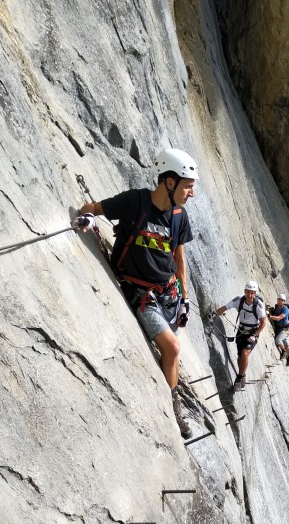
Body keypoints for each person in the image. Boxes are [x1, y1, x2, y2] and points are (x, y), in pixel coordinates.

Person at [75, 148, 198, 437]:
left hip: (168, 295)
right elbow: (90, 208)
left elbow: (179, 259)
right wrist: (88, 219)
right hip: (140, 293)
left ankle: (174, 397)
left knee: (171, 354)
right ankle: (172, 409)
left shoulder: (179, 216)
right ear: (169, 182)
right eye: (188, 187)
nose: (191, 194)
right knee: (172, 348)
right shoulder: (136, 202)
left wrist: (186, 298)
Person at [210, 281, 267, 390]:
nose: (250, 295)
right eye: (248, 292)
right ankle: (243, 374)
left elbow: (263, 322)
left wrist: (254, 335)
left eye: (253, 293)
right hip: (241, 332)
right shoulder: (239, 300)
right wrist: (214, 314)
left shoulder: (258, 305)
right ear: (245, 291)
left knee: (245, 353)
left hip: (252, 332)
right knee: (240, 356)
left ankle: (240, 377)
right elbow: (226, 307)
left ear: (255, 293)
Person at [268, 293, 289, 365]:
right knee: (285, 342)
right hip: (279, 329)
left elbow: (279, 318)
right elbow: (276, 313)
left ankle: (284, 351)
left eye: (282, 300)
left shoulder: (286, 310)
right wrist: (272, 311)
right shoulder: (277, 306)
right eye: (279, 299)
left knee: (278, 340)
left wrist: (269, 315)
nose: (280, 301)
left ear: (284, 301)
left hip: (286, 330)